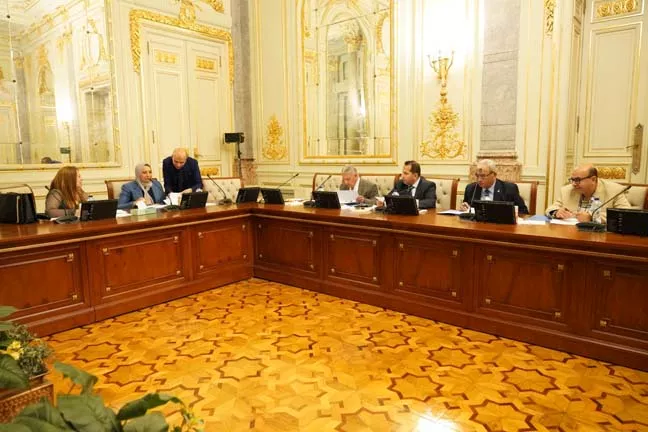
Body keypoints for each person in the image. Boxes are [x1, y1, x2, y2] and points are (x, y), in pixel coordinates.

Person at [546, 164, 631, 223]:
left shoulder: (614, 190)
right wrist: (556, 212)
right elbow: (551, 208)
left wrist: (592, 217)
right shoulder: (567, 190)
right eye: (572, 180)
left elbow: (627, 215)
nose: (574, 184)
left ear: (593, 179)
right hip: (572, 234)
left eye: (578, 180)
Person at [460, 159, 529, 214]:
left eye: (483, 176)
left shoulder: (509, 189)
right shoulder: (471, 188)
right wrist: (464, 208)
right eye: (477, 176)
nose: (479, 180)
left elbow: (523, 211)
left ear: (494, 175)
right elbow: (466, 208)